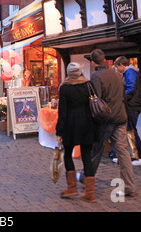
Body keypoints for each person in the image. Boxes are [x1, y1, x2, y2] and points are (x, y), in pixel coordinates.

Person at [79, 49, 135, 197]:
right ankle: (128, 185)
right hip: (120, 117)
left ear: (93, 62)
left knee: (96, 151)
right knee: (123, 151)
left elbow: (94, 102)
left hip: (106, 120)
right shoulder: (117, 74)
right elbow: (123, 96)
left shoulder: (96, 77)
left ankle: (86, 178)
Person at [56, 63, 99, 202]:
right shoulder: (88, 84)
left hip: (70, 124)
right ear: (80, 72)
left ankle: (72, 187)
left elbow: (62, 112)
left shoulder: (65, 87)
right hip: (87, 123)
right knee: (86, 155)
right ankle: (90, 193)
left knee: (68, 154)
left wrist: (59, 131)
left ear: (69, 73)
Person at [114, 56, 141, 166]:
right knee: (128, 130)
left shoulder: (129, 72)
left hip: (132, 105)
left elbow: (131, 88)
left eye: (116, 67)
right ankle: (132, 155)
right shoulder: (131, 72)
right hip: (133, 105)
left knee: (131, 131)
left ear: (121, 65)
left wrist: (122, 97)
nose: (117, 69)